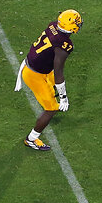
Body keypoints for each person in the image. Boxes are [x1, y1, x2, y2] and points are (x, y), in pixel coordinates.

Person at [14, 10, 83, 151]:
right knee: (51, 109)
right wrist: (64, 97)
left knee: (52, 92)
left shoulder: (53, 26)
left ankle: (52, 101)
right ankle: (31, 139)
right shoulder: (63, 46)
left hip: (39, 67)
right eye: (77, 23)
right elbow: (59, 73)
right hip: (34, 74)